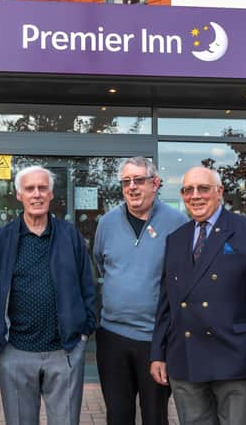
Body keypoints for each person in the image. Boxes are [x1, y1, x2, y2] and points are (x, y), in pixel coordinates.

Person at [150, 166, 246, 425]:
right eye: (188, 190)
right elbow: (166, 303)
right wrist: (158, 353)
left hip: (234, 358)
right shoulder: (176, 239)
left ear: (219, 192)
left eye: (203, 188)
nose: (195, 196)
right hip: (185, 359)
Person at [0, 165, 96, 425]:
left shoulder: (69, 235)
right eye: (30, 189)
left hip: (64, 352)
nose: (37, 194)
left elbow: (89, 287)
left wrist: (84, 332)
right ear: (19, 195)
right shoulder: (0, 240)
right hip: (15, 352)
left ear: (51, 194)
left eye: (43, 188)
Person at [93, 157, 188, 425]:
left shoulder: (177, 223)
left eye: (139, 180)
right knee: (118, 414)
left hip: (156, 340)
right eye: (126, 182)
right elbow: (101, 264)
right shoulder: (107, 223)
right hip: (112, 337)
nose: (132, 187)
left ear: (155, 183)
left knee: (155, 416)